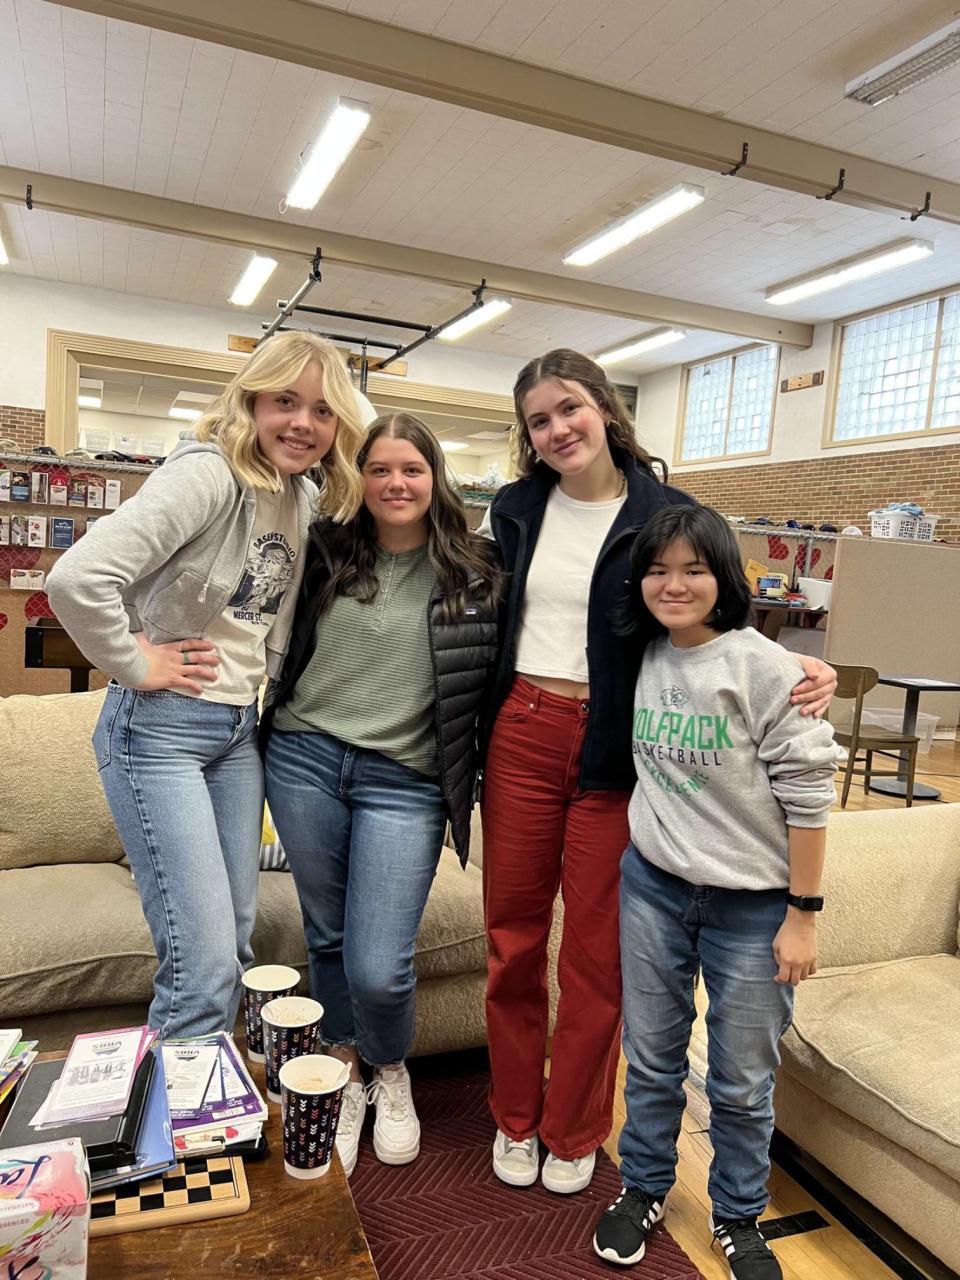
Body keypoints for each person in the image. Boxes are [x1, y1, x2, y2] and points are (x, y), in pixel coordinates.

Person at [479, 349, 837, 1196]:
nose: (558, 429)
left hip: (618, 745)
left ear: (604, 408)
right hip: (523, 729)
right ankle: (515, 1116)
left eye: (570, 408)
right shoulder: (516, 507)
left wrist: (794, 667)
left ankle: (573, 1129)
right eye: (538, 420)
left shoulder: (666, 512)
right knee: (512, 941)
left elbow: (707, 615)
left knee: (597, 955)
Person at [46, 332, 366, 1039]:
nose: (303, 423)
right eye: (285, 401)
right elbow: (76, 578)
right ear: (249, 401)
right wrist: (135, 663)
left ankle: (212, 1088)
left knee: (235, 941)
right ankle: (183, 1108)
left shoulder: (302, 496)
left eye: (322, 410)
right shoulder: (209, 475)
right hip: (158, 730)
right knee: (203, 962)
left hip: (236, 733)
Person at [592, 505, 837, 1276]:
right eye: (658, 570)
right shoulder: (643, 653)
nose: (674, 584)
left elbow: (810, 799)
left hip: (753, 906)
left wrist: (802, 916)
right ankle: (644, 1187)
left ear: (723, 577)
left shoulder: (769, 670)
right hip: (654, 889)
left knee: (740, 1080)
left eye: (693, 569)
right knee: (651, 1057)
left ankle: (737, 1215)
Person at [261, 413, 501, 1177]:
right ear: (357, 479)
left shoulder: (479, 569)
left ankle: (390, 1071)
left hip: (408, 780)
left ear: (436, 479)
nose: (396, 483)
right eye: (380, 469)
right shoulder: (324, 551)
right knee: (327, 936)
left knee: (379, 964)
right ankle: (344, 1070)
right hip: (304, 761)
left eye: (412, 469)